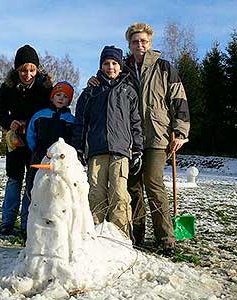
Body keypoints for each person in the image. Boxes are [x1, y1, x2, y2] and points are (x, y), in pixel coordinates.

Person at [88, 23, 190, 256]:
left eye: (143, 41)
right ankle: (137, 235)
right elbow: (107, 79)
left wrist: (181, 131)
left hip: (157, 135)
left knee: (153, 184)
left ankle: (166, 239)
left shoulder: (164, 68)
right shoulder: (123, 69)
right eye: (135, 42)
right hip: (128, 138)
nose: (140, 45)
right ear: (129, 44)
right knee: (132, 187)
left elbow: (179, 100)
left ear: (150, 42)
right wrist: (94, 81)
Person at [72, 46, 143, 238]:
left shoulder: (128, 91)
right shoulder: (90, 92)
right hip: (96, 151)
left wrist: (138, 150)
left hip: (121, 153)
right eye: (106, 63)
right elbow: (81, 123)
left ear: (120, 66)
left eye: (114, 63)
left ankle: (121, 238)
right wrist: (78, 148)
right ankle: (95, 235)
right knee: (96, 195)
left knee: (119, 195)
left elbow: (136, 123)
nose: (110, 67)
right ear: (100, 66)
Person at [0, 44, 52, 236]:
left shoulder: (45, 87)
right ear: (17, 69)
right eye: (23, 70)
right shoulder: (8, 87)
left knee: (31, 183)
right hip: (16, 142)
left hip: (36, 143)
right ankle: (7, 222)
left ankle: (27, 224)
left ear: (37, 69)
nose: (28, 74)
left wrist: (35, 125)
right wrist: (10, 122)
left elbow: (51, 111)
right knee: (13, 180)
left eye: (32, 70)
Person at [22, 81, 75, 230]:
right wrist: (37, 151)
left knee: (56, 191)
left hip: (60, 164)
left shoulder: (70, 120)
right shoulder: (40, 115)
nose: (61, 98)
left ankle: (54, 225)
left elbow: (74, 141)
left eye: (65, 97)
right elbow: (30, 134)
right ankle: (28, 226)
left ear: (69, 101)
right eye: (58, 95)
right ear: (52, 97)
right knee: (33, 189)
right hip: (39, 157)